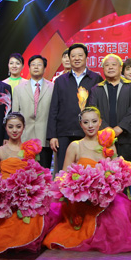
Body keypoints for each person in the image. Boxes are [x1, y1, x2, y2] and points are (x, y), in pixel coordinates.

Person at [43, 107, 131, 253]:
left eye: (94, 121)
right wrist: (80, 188)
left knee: (117, 213)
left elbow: (116, 172)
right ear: (80, 124)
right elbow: (63, 177)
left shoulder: (108, 144)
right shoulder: (75, 146)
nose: (90, 126)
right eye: (86, 122)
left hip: (105, 198)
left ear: (100, 122)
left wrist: (105, 188)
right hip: (82, 199)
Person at [0, 113, 61, 256]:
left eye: (18, 126)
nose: (15, 130)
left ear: (24, 128)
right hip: (5, 197)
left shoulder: (30, 150)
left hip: (25, 197)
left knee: (32, 221)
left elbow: (36, 172)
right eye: (11, 127)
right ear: (5, 128)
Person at [47, 43, 102, 173]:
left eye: (80, 55)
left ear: (86, 58)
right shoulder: (60, 80)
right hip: (64, 133)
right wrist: (52, 136)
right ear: (69, 58)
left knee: (88, 170)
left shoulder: (96, 78)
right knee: (64, 171)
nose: (77, 58)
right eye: (73, 56)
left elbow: (100, 107)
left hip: (88, 132)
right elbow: (54, 108)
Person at [88, 54, 131, 161]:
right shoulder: (96, 89)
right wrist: (107, 130)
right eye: (107, 65)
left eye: (114, 65)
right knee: (104, 168)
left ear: (120, 68)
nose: (110, 67)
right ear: (103, 69)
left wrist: (120, 128)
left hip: (126, 138)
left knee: (125, 168)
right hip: (102, 138)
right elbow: (93, 111)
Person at [12, 55, 54, 169]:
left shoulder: (53, 87)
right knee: (24, 170)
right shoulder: (18, 89)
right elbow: (14, 115)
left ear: (44, 68)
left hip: (45, 137)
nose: (36, 67)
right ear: (29, 68)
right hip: (25, 137)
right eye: (33, 65)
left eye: (39, 65)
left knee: (44, 171)